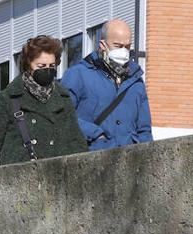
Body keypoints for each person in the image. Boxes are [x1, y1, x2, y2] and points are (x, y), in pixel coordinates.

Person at [0, 35, 88, 168]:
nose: (47, 70)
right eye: (41, 66)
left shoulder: (63, 98)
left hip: (59, 176)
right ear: (28, 65)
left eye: (52, 66)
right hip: (19, 179)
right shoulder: (8, 99)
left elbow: (77, 142)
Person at [61, 19, 152, 150]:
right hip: (90, 156)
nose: (124, 51)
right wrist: (96, 134)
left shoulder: (136, 80)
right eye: (118, 46)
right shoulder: (77, 74)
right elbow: (64, 116)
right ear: (103, 45)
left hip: (129, 160)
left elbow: (144, 130)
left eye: (127, 46)